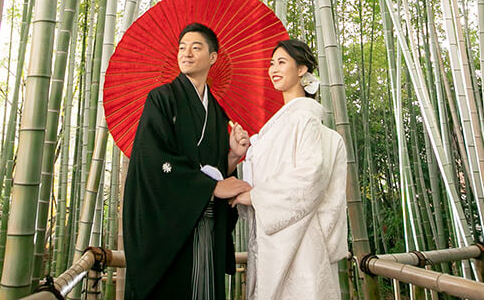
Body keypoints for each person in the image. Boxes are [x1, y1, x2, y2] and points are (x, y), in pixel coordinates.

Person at [123, 22, 252, 300]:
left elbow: (217, 170)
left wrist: (232, 155)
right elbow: (152, 159)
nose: (187, 53)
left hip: (205, 223)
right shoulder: (161, 99)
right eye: (182, 47)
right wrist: (210, 187)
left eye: (196, 47)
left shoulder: (217, 111)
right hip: (169, 227)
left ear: (213, 57)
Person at [231, 38, 348, 300]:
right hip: (275, 239)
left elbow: (310, 175)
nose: (273, 68)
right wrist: (245, 153)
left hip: (302, 241)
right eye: (271, 63)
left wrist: (258, 196)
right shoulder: (278, 125)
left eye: (281, 62)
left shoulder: (303, 118)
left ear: (302, 69)